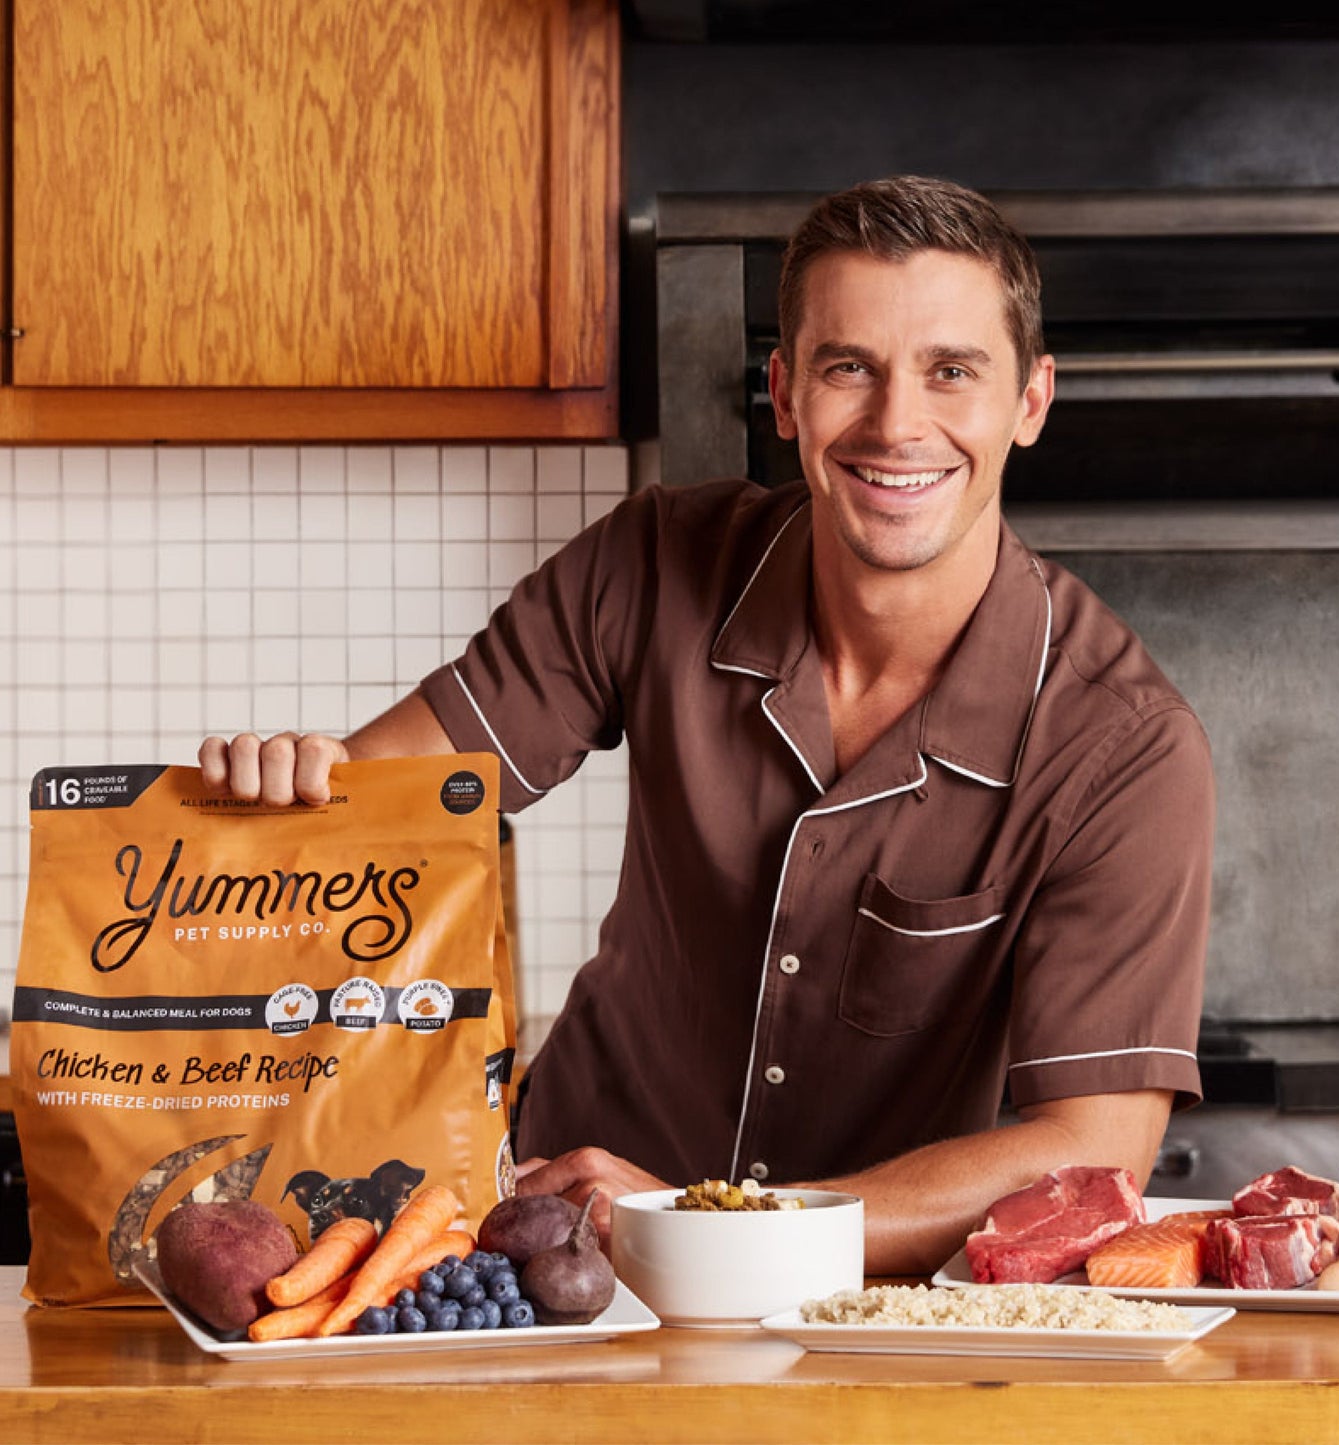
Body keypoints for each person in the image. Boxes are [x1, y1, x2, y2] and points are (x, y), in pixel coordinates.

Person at [201, 176, 1214, 1274]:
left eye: (950, 371)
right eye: (847, 368)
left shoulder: (1123, 746)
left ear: (1029, 400)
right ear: (782, 393)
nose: (894, 423)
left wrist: (711, 1222)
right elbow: (386, 810)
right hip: (551, 1259)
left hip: (870, 1313)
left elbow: (1093, 1149)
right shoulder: (649, 563)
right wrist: (301, 793)